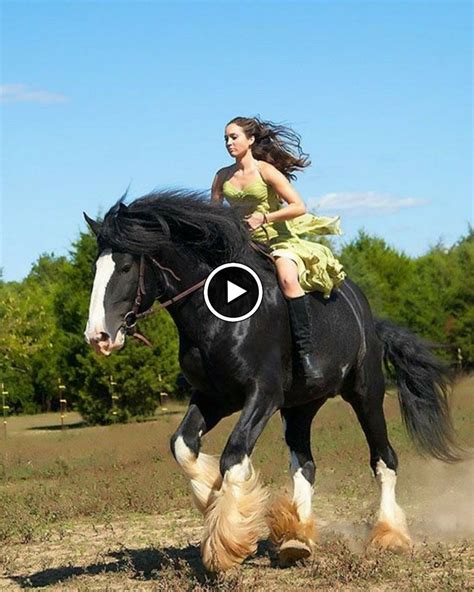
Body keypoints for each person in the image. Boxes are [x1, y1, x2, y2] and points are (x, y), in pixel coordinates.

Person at [211, 116, 345, 385]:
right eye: (225, 138)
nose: (228, 143)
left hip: (277, 241)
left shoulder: (266, 172)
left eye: (234, 137)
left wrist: (265, 218)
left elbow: (299, 206)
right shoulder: (222, 176)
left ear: (250, 140)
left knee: (287, 279)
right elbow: (214, 214)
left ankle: (306, 354)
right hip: (242, 244)